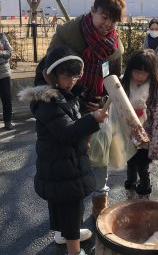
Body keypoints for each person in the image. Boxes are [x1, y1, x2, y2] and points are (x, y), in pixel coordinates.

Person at [34, 0, 126, 219]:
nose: (107, 25)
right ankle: (66, 221)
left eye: (113, 20)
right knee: (67, 162)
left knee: (100, 157)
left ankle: (99, 202)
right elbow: (47, 72)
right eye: (104, 17)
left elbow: (113, 78)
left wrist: (104, 98)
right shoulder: (68, 35)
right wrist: (73, 97)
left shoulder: (115, 46)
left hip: (97, 108)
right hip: (66, 107)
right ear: (93, 10)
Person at [19, 46, 108, 255]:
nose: (73, 81)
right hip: (60, 163)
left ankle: (65, 234)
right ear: (52, 75)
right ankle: (74, 250)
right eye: (66, 76)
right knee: (70, 206)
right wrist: (91, 120)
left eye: (76, 75)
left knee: (62, 203)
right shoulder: (49, 101)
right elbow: (66, 132)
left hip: (61, 161)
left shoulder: (64, 94)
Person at [121, 49, 158, 199]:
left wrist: (155, 146)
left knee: (142, 167)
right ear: (130, 71)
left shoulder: (156, 92)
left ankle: (144, 192)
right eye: (136, 72)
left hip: (145, 139)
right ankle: (131, 188)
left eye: (144, 73)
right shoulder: (123, 86)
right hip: (127, 135)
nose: (139, 76)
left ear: (151, 72)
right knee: (130, 163)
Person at [0, 32, 14, 130]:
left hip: (4, 73)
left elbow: (9, 52)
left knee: (6, 98)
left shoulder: (2, 36)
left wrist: (1, 53)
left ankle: (8, 121)